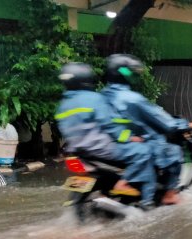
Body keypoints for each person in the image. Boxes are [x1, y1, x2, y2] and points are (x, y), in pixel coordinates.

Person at [101, 54, 192, 205]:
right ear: (126, 74)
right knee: (173, 152)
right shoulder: (132, 98)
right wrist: (185, 124)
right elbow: (163, 121)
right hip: (134, 143)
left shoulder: (102, 96)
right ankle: (169, 195)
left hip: (110, 145)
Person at [55, 62, 156, 207]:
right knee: (143, 152)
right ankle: (130, 189)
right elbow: (110, 126)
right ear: (86, 79)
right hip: (102, 149)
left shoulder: (62, 105)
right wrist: (129, 137)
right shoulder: (94, 98)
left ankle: (105, 191)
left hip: (77, 153)